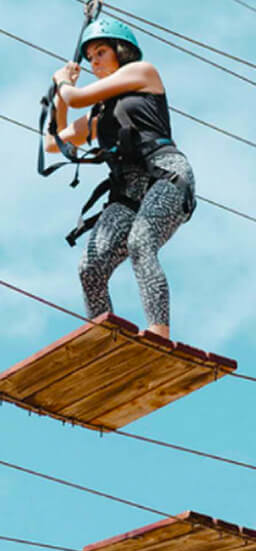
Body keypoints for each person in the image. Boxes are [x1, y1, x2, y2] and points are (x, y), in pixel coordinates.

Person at [45, 18, 195, 339]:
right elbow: (54, 141)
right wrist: (60, 96)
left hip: (166, 176)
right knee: (91, 266)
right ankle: (105, 338)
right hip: (128, 192)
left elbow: (76, 97)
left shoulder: (143, 73)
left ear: (121, 52)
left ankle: (159, 332)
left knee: (141, 241)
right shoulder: (99, 114)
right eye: (90, 57)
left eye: (101, 52)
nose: (94, 61)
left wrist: (64, 85)